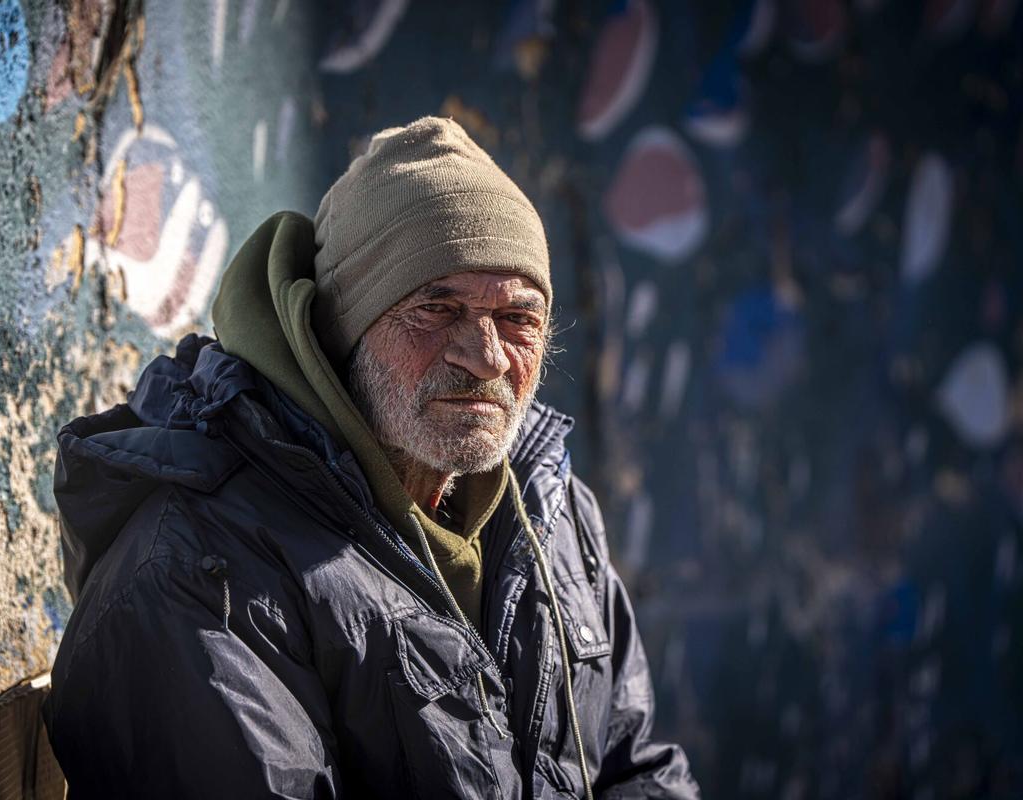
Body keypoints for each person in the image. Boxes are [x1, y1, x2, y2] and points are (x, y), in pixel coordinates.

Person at [44, 117, 699, 799]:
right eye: (437, 308)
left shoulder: (552, 511)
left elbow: (635, 766)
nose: (486, 357)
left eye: (518, 318)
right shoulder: (202, 570)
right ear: (340, 331)